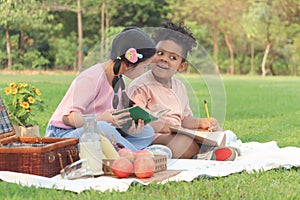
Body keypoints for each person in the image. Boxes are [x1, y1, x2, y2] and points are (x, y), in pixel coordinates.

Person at [127, 22, 238, 160]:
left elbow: (184, 120)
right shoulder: (140, 87)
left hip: (179, 132)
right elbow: (136, 121)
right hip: (154, 137)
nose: (164, 59)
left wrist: (203, 123)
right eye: (160, 53)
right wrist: (165, 126)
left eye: (173, 57)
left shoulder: (180, 87)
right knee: (183, 143)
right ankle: (204, 154)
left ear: (181, 66)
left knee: (217, 133)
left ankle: (209, 152)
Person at [46, 28, 157, 152]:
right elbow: (68, 118)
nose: (146, 71)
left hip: (93, 132)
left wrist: (129, 126)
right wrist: (100, 120)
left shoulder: (118, 79)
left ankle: (124, 151)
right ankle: (136, 154)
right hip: (62, 136)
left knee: (147, 132)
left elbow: (112, 120)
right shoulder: (92, 77)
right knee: (103, 128)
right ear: (127, 65)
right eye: (145, 67)